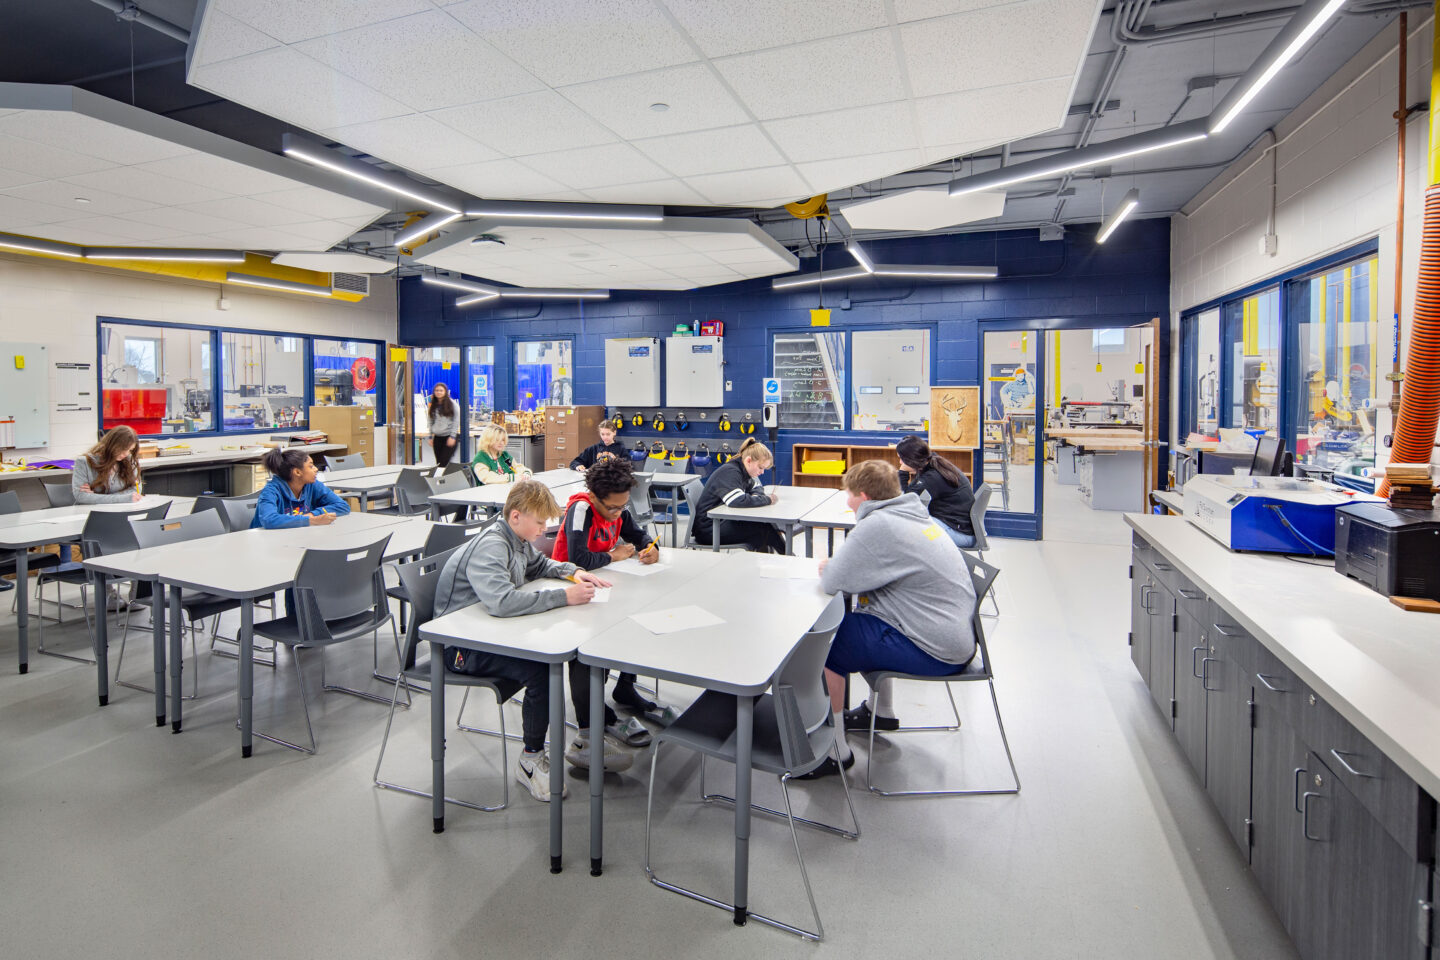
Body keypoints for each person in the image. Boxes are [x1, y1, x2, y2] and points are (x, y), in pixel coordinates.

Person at [434, 480, 610, 802]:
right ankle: (530, 760)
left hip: (487, 635)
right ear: (516, 516)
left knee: (559, 657)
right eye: (540, 522)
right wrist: (563, 597)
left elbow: (540, 564)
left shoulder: (516, 539)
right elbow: (502, 602)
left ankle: (582, 738)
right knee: (540, 670)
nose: (545, 529)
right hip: (458, 648)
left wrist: (573, 572)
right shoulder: (492, 546)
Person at [811, 460, 976, 778]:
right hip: (951, 637)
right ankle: (880, 712)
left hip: (933, 649)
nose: (847, 503)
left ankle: (834, 752)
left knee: (825, 643)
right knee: (862, 618)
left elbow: (833, 582)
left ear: (863, 496)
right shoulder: (914, 515)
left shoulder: (878, 525)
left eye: (848, 495)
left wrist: (831, 567)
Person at [552, 458, 660, 767]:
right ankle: (590, 724)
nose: (618, 513)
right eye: (612, 509)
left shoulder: (619, 505)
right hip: (569, 589)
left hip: (606, 585)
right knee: (584, 651)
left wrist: (649, 548)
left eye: (622, 506)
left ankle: (625, 688)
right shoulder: (581, 510)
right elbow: (577, 557)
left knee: (638, 617)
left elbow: (637, 534)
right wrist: (613, 555)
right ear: (596, 497)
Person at [690, 437, 784, 553]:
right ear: (749, 461)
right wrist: (767, 500)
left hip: (720, 522)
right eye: (760, 467)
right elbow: (737, 501)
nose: (762, 472)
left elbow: (757, 487)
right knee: (763, 529)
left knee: (763, 527)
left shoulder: (743, 471)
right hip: (709, 530)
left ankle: (779, 557)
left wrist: (756, 497)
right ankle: (788, 557)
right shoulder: (730, 472)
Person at [895, 435, 977, 549]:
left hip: (960, 535)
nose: (900, 462)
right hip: (960, 528)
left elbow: (905, 501)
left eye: (901, 459)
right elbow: (913, 490)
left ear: (910, 460)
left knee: (911, 525)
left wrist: (903, 472)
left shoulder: (932, 477)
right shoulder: (933, 461)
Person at [252, 448, 351, 529]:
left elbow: (343, 506)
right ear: (297, 472)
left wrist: (313, 514)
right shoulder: (271, 490)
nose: (316, 469)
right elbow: (269, 519)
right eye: (311, 466)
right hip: (265, 541)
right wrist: (311, 520)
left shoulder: (312, 484)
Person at [72, 426, 144, 504]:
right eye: (123, 448)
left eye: (130, 450)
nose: (126, 453)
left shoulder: (129, 461)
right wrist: (123, 498)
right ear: (112, 445)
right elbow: (81, 496)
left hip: (119, 511)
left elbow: (135, 491)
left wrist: (95, 497)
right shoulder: (83, 462)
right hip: (89, 513)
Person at [427, 383, 459, 468]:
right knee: (439, 463)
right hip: (437, 438)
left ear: (445, 392)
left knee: (443, 463)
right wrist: (430, 436)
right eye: (437, 390)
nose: (439, 392)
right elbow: (430, 420)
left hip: (448, 437)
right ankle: (440, 480)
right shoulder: (433, 405)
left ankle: (446, 480)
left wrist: (452, 436)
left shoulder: (452, 404)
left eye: (441, 390)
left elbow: (456, 420)